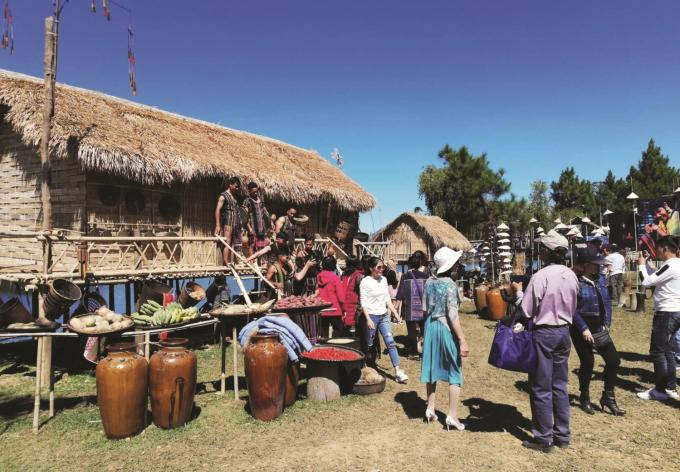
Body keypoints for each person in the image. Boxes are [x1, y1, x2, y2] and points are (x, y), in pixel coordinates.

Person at [513, 229, 579, 453]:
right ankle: (562, 435)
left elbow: (527, 309)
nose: (539, 252)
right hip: (564, 332)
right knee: (560, 385)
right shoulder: (571, 275)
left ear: (548, 252)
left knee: (541, 386)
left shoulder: (540, 276)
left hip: (545, 333)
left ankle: (543, 438)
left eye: (542, 248)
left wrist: (518, 295)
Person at [571, 247, 625, 416]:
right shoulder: (575, 282)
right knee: (588, 362)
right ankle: (584, 396)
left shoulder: (601, 280)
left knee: (614, 361)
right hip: (581, 328)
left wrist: (607, 322)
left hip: (599, 327)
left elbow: (607, 303)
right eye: (596, 264)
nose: (600, 267)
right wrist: (583, 328)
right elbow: (571, 308)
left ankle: (608, 397)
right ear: (586, 264)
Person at [421, 247, 470, 431]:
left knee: (432, 367)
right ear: (452, 266)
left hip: (430, 327)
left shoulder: (428, 282)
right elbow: (452, 314)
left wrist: (423, 334)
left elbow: (424, 309)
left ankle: (430, 409)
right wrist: (462, 339)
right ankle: (452, 415)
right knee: (454, 370)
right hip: (445, 328)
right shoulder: (450, 284)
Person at [636, 235, 680, 401]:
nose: (657, 252)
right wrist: (646, 265)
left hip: (667, 312)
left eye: (658, 248)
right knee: (667, 349)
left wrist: (641, 266)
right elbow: (658, 277)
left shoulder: (671, 265)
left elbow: (646, 282)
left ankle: (661, 390)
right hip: (675, 311)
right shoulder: (675, 265)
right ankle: (670, 387)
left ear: (665, 249)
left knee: (658, 351)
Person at [359, 257, 408, 383]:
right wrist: (368, 319)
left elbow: (387, 299)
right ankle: (363, 367)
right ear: (371, 268)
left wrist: (396, 313)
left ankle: (398, 371)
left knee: (390, 342)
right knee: (368, 344)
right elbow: (363, 302)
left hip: (383, 315)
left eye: (383, 267)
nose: (381, 270)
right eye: (378, 267)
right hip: (371, 316)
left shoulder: (384, 280)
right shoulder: (365, 282)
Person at [395, 251, 429, 357]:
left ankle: (414, 352)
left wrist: (395, 308)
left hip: (409, 308)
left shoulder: (405, 276)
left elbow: (400, 293)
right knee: (424, 330)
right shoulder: (426, 276)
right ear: (421, 263)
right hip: (423, 308)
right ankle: (426, 352)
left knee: (411, 332)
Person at [214, 177, 242, 264]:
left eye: (238, 187)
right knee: (227, 242)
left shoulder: (235, 197)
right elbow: (218, 209)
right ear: (230, 184)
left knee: (235, 242)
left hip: (236, 223)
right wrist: (218, 225)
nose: (237, 188)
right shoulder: (223, 196)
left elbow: (237, 211)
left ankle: (232, 261)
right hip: (228, 223)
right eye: (236, 186)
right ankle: (225, 261)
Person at [316, 256, 346, 339]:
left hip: (322, 309)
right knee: (338, 331)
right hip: (334, 309)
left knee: (323, 333)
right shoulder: (335, 278)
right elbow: (341, 297)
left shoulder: (318, 277)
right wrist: (344, 309)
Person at [243, 182, 272, 261]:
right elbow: (245, 216)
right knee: (252, 244)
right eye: (253, 192)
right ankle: (252, 262)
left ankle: (260, 262)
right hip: (253, 227)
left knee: (262, 244)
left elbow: (265, 212)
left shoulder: (261, 201)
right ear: (249, 191)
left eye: (257, 191)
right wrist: (250, 228)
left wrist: (270, 222)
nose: (256, 193)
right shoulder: (247, 201)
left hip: (262, 227)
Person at [341, 256, 364, 331]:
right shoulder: (345, 275)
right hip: (348, 303)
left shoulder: (357, 276)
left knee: (352, 327)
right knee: (349, 328)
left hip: (352, 304)